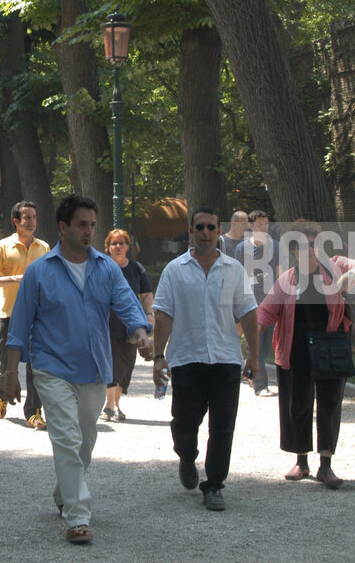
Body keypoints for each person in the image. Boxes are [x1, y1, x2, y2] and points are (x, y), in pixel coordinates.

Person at [6, 196, 152, 544]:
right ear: (63, 227)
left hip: (95, 368)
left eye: (91, 225)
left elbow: (129, 305)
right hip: (52, 368)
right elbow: (19, 326)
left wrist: (142, 334)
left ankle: (64, 493)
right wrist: (10, 374)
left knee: (85, 441)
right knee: (67, 439)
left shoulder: (106, 268)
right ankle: (77, 517)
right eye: (81, 224)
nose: (88, 231)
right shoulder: (40, 271)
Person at [151, 206, 260, 512]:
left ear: (217, 230)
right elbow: (163, 314)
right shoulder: (175, 270)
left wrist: (254, 354)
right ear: (190, 231)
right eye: (200, 227)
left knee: (223, 427)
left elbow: (249, 313)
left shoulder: (234, 270)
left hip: (226, 359)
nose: (206, 233)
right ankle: (187, 456)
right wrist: (159, 356)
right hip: (187, 359)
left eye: (211, 227)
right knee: (184, 424)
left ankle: (213, 485)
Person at [257, 221, 355, 488]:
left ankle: (326, 465)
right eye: (302, 245)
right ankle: (301, 461)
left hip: (330, 346)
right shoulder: (286, 280)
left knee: (330, 403)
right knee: (297, 404)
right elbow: (265, 312)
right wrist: (248, 331)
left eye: (313, 244)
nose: (309, 250)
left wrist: (353, 275)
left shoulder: (335, 266)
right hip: (295, 347)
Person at [0, 201, 51, 429]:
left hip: (37, 317)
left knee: (36, 366)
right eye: (27, 217)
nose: (31, 221)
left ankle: (33, 411)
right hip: (10, 314)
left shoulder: (44, 248)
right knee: (6, 363)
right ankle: (2, 398)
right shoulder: (3, 246)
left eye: (34, 217)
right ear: (16, 221)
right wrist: (16, 279)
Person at [101, 228, 155, 422]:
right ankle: (108, 405)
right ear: (108, 247)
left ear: (127, 246)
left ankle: (116, 404)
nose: (117, 246)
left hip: (131, 324)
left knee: (126, 364)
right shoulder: (103, 267)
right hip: (106, 321)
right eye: (114, 243)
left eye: (121, 243)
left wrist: (149, 314)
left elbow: (147, 294)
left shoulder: (136, 268)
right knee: (111, 361)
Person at [235, 211, 281, 396]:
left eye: (266, 224)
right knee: (257, 343)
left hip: (271, 303)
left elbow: (280, 274)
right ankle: (261, 385)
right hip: (250, 304)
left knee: (269, 345)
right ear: (251, 226)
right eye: (260, 224)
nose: (264, 227)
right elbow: (238, 275)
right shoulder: (241, 249)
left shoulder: (276, 247)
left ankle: (250, 367)